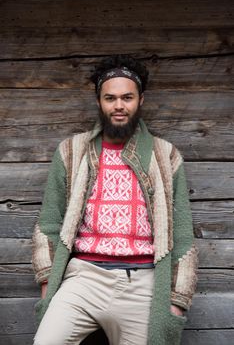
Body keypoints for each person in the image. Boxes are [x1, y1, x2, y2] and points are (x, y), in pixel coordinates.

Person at [32, 54, 198, 345]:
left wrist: (176, 302)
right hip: (83, 278)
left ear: (141, 100)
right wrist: (48, 284)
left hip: (143, 284)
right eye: (110, 98)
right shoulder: (72, 152)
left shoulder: (165, 155)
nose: (119, 106)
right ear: (99, 101)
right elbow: (48, 223)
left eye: (127, 97)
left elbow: (182, 236)